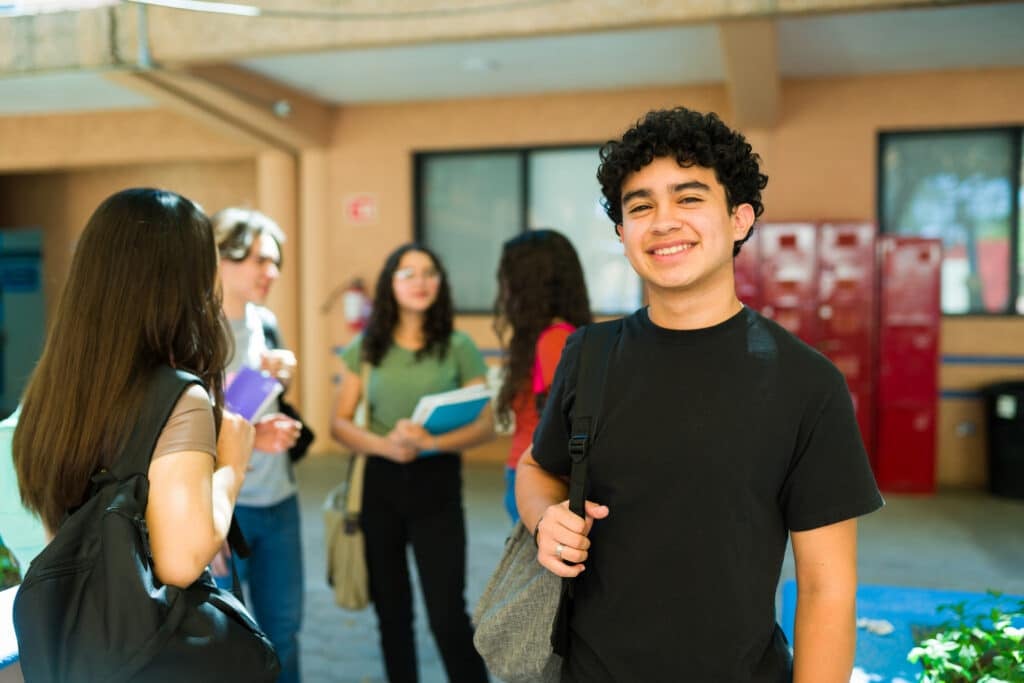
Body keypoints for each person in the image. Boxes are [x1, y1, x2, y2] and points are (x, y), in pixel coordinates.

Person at [516, 108, 885, 682]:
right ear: (622, 234)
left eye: (688, 199)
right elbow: (537, 467)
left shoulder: (806, 383)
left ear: (739, 219)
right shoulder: (588, 354)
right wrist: (544, 520)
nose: (663, 221)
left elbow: (826, 586)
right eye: (640, 206)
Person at [12, 187, 253, 592]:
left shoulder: (54, 391)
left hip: (73, 635)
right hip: (149, 644)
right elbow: (181, 563)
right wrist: (232, 467)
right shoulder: (179, 398)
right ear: (184, 281)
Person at [331, 243, 493, 683]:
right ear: (390, 285)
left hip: (437, 483)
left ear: (440, 284)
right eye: (408, 273)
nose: (420, 282)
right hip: (379, 484)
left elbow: (486, 422)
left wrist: (431, 443)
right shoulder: (367, 346)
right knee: (392, 612)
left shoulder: (457, 346)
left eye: (429, 273)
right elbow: (339, 425)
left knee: (447, 613)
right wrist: (387, 447)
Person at [212, 207, 305, 683]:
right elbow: (198, 425)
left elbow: (259, 414)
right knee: (228, 637)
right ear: (219, 259)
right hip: (228, 508)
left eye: (274, 261)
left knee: (284, 631)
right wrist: (254, 381)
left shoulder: (266, 323)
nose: (271, 271)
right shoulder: (195, 332)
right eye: (256, 259)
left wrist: (278, 405)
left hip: (279, 497)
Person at [493, 229, 591, 522]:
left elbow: (570, 421)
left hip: (540, 478)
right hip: (528, 472)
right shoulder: (548, 337)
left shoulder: (554, 340)